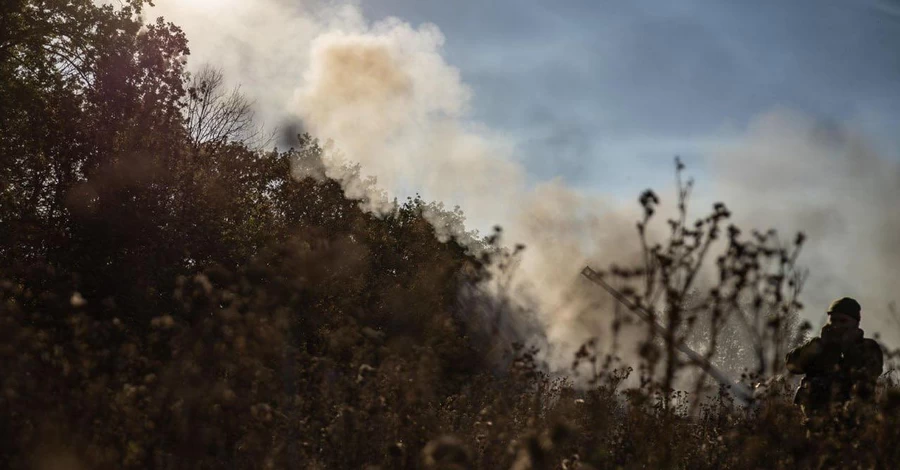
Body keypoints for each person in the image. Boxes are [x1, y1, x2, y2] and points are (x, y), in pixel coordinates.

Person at [786, 297, 883, 420]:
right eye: (833, 320)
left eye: (843, 321)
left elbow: (871, 371)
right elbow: (792, 365)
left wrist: (848, 346)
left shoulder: (868, 347)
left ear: (855, 323)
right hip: (813, 417)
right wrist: (820, 345)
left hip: (853, 417)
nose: (836, 325)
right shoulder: (819, 345)